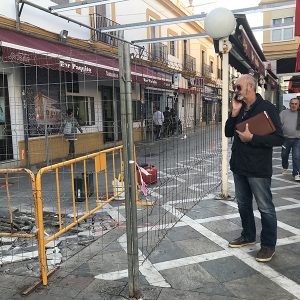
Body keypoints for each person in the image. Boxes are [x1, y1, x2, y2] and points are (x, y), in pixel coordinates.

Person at [225, 74, 284, 262]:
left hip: (258, 168)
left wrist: (253, 139)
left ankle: (268, 246)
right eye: (235, 87)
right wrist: (234, 112)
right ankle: (248, 235)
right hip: (239, 166)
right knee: (243, 204)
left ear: (250, 87)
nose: (236, 91)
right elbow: (228, 132)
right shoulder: (240, 108)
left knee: (265, 207)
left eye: (238, 87)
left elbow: (278, 138)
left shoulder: (267, 108)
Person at [279, 97, 300, 181]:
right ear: (289, 104)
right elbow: (278, 124)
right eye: (292, 103)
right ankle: (285, 167)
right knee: (284, 155)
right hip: (286, 139)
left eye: (296, 104)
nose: (294, 105)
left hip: (297, 139)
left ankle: (297, 173)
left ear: (298, 105)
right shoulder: (283, 113)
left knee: (296, 156)